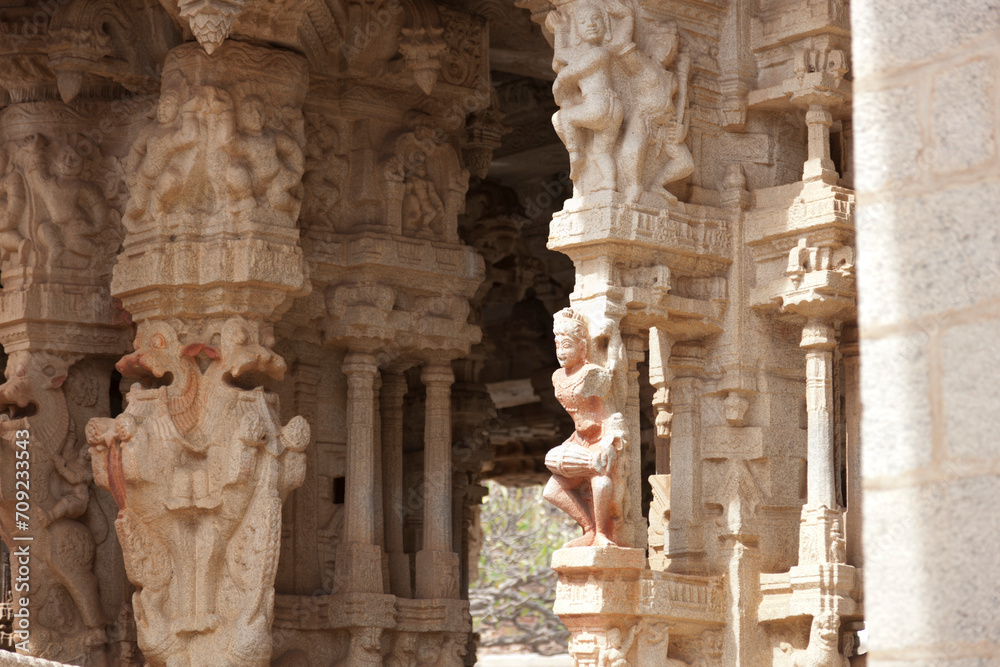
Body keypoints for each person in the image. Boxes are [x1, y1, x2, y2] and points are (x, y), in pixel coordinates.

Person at [543, 308, 624, 547]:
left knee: (600, 478)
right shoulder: (558, 377)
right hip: (578, 438)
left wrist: (608, 443)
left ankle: (601, 534)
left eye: (567, 345)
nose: (561, 352)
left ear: (583, 347)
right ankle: (588, 528)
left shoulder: (592, 374)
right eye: (558, 345)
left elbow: (611, 411)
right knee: (552, 490)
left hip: (601, 435)